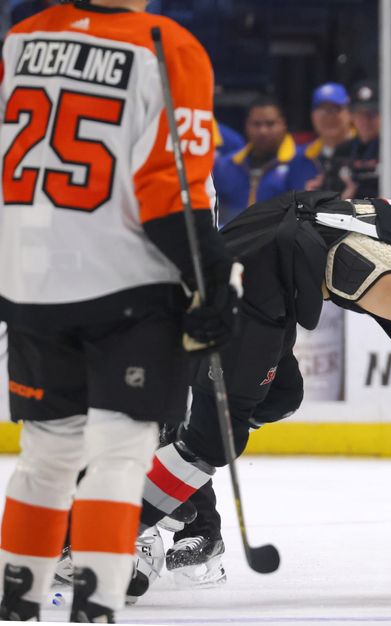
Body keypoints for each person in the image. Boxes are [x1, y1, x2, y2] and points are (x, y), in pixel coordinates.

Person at [133, 179, 391, 581]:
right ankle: (99, 535)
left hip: (278, 233)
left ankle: (170, 466)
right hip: (260, 275)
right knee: (215, 439)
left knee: (281, 395)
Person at [0, 0, 238, 621]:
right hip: (125, 288)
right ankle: (97, 603)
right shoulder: (168, 47)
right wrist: (213, 284)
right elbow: (169, 191)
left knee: (48, 449)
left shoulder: (22, 37)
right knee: (119, 450)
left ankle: (17, 599)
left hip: (29, 280)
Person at [213, 96, 301, 224]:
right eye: (256, 124)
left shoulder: (301, 162)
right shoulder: (226, 165)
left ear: (283, 124)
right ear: (246, 125)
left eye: (270, 124)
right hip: (233, 239)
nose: (263, 131)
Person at [291, 82, 356, 195]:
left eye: (335, 109)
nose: (329, 117)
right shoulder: (301, 158)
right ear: (312, 115)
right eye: (322, 110)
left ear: (349, 113)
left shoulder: (364, 149)